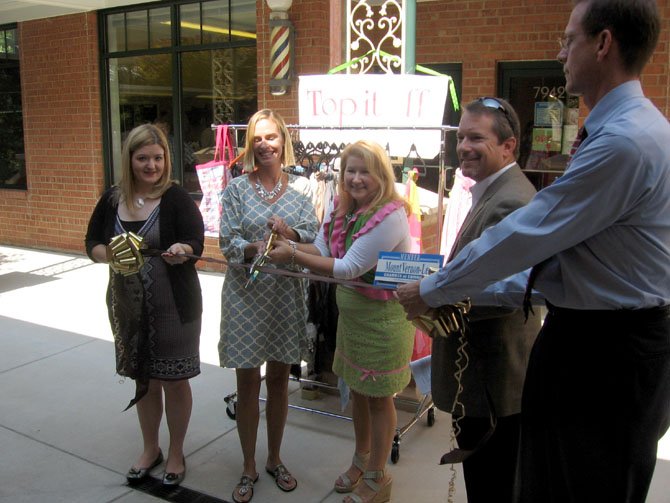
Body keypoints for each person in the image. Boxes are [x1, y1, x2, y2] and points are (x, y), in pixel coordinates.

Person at [397, 1, 670, 501]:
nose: (559, 51)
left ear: (604, 43)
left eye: (569, 39)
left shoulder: (626, 141)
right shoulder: (627, 130)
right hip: (594, 342)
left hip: (605, 353)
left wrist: (433, 289)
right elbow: (569, 262)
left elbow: (527, 235)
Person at [269, 139, 415, 503]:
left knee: (379, 399)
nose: (356, 178)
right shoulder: (342, 208)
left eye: (365, 170)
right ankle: (361, 461)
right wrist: (287, 242)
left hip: (382, 321)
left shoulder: (390, 215)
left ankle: (378, 477)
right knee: (359, 395)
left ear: (381, 174)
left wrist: (292, 257)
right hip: (353, 317)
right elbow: (321, 249)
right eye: (350, 170)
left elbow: (349, 267)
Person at [85, 123, 205, 487]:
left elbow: (195, 242)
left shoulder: (176, 198)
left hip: (175, 307)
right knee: (145, 380)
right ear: (130, 159)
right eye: (143, 158)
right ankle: (150, 448)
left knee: (175, 381)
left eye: (157, 157)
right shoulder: (112, 199)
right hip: (129, 308)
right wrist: (110, 254)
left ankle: (176, 451)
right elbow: (91, 242)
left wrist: (183, 251)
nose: (151, 165)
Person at [432, 97, 539, 503]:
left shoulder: (510, 200)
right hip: (486, 381)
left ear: (508, 145)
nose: (464, 147)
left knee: (493, 487)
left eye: (476, 138)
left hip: (491, 384)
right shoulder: (493, 191)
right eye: (460, 137)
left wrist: (428, 299)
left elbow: (503, 293)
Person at [218, 109, 319, 503]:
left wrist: (288, 233)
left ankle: (275, 458)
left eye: (272, 137)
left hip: (285, 296)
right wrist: (253, 247)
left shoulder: (303, 189)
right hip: (245, 296)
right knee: (247, 384)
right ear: (250, 145)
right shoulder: (236, 190)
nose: (264, 145)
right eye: (257, 139)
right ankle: (248, 465)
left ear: (283, 142)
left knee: (279, 381)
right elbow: (226, 243)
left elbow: (313, 236)